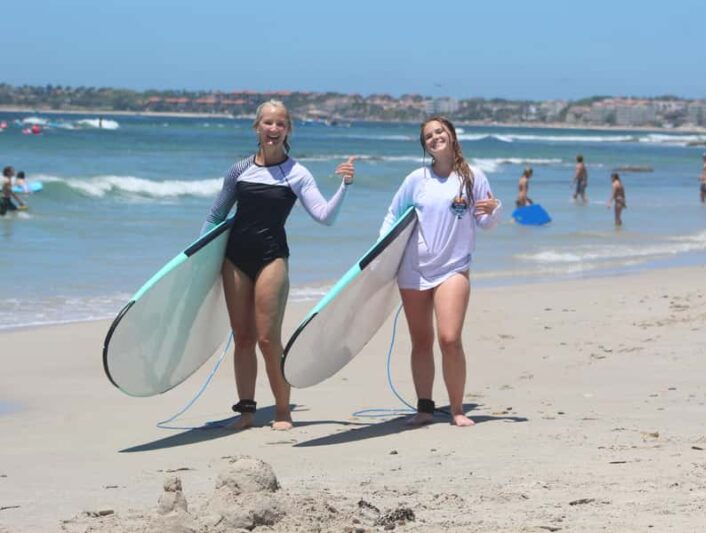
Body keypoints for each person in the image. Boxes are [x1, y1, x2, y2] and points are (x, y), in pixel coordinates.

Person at [202, 100, 356, 431]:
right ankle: (246, 412)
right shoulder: (239, 170)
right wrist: (198, 260)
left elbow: (325, 217)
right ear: (256, 127)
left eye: (280, 124)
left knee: (268, 339)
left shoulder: (297, 173)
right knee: (242, 338)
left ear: (288, 130)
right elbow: (216, 216)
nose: (273, 129)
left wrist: (344, 186)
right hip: (234, 258)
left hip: (272, 256)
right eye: (267, 123)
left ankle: (283, 410)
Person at [380, 116, 501, 427]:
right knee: (421, 341)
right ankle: (425, 407)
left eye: (439, 132)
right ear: (426, 146)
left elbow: (486, 223)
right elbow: (393, 215)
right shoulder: (416, 180)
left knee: (449, 339)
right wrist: (380, 255)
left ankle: (457, 409)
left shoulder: (473, 177)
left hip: (453, 268)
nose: (435, 138)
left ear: (451, 135)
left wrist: (494, 212)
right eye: (429, 136)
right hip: (413, 270)